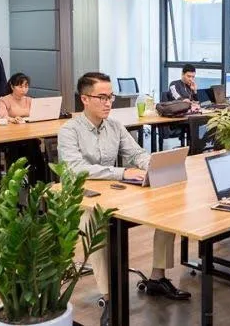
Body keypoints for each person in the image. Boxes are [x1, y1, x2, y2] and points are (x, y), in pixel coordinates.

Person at [58, 72, 190, 323]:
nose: (108, 103)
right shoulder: (69, 131)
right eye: (102, 97)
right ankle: (110, 297)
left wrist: (153, 165)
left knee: (166, 208)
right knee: (94, 223)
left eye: (111, 97)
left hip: (113, 192)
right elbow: (75, 169)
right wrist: (122, 172)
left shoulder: (115, 126)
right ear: (85, 99)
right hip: (81, 197)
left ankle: (157, 277)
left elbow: (136, 154)